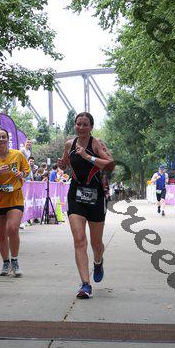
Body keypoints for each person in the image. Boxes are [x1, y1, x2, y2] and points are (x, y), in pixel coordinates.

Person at [58, 111, 115, 299]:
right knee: (80, 240)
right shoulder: (70, 144)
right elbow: (66, 163)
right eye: (78, 124)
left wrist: (87, 156)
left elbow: (110, 165)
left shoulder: (96, 143)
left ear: (91, 127)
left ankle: (98, 262)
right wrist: (62, 164)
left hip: (96, 197)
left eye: (85, 124)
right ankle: (85, 284)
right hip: (76, 196)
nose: (81, 127)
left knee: (96, 243)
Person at [0, 128, 30, 277]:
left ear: (8, 139)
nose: (1, 139)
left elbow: (26, 171)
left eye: (3, 137)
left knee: (13, 228)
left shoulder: (18, 154)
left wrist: (22, 174)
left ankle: (14, 260)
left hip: (14, 197)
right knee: (1, 234)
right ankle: (5, 262)